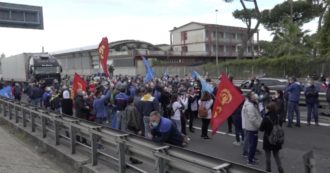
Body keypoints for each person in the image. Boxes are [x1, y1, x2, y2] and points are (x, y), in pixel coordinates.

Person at [260, 102, 284, 173]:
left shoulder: (266, 118)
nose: (265, 109)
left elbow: (261, 129)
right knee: (276, 156)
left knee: (268, 156)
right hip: (277, 139)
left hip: (268, 139)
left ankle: (268, 170)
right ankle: (281, 170)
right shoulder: (278, 117)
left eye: (266, 108)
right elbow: (280, 126)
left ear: (269, 109)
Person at [242, 91, 262, 165]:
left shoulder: (252, 103)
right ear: (250, 97)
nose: (255, 95)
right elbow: (252, 119)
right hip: (252, 128)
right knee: (252, 145)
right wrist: (259, 126)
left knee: (253, 144)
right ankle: (250, 160)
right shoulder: (250, 106)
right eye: (253, 94)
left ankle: (252, 157)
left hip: (252, 127)